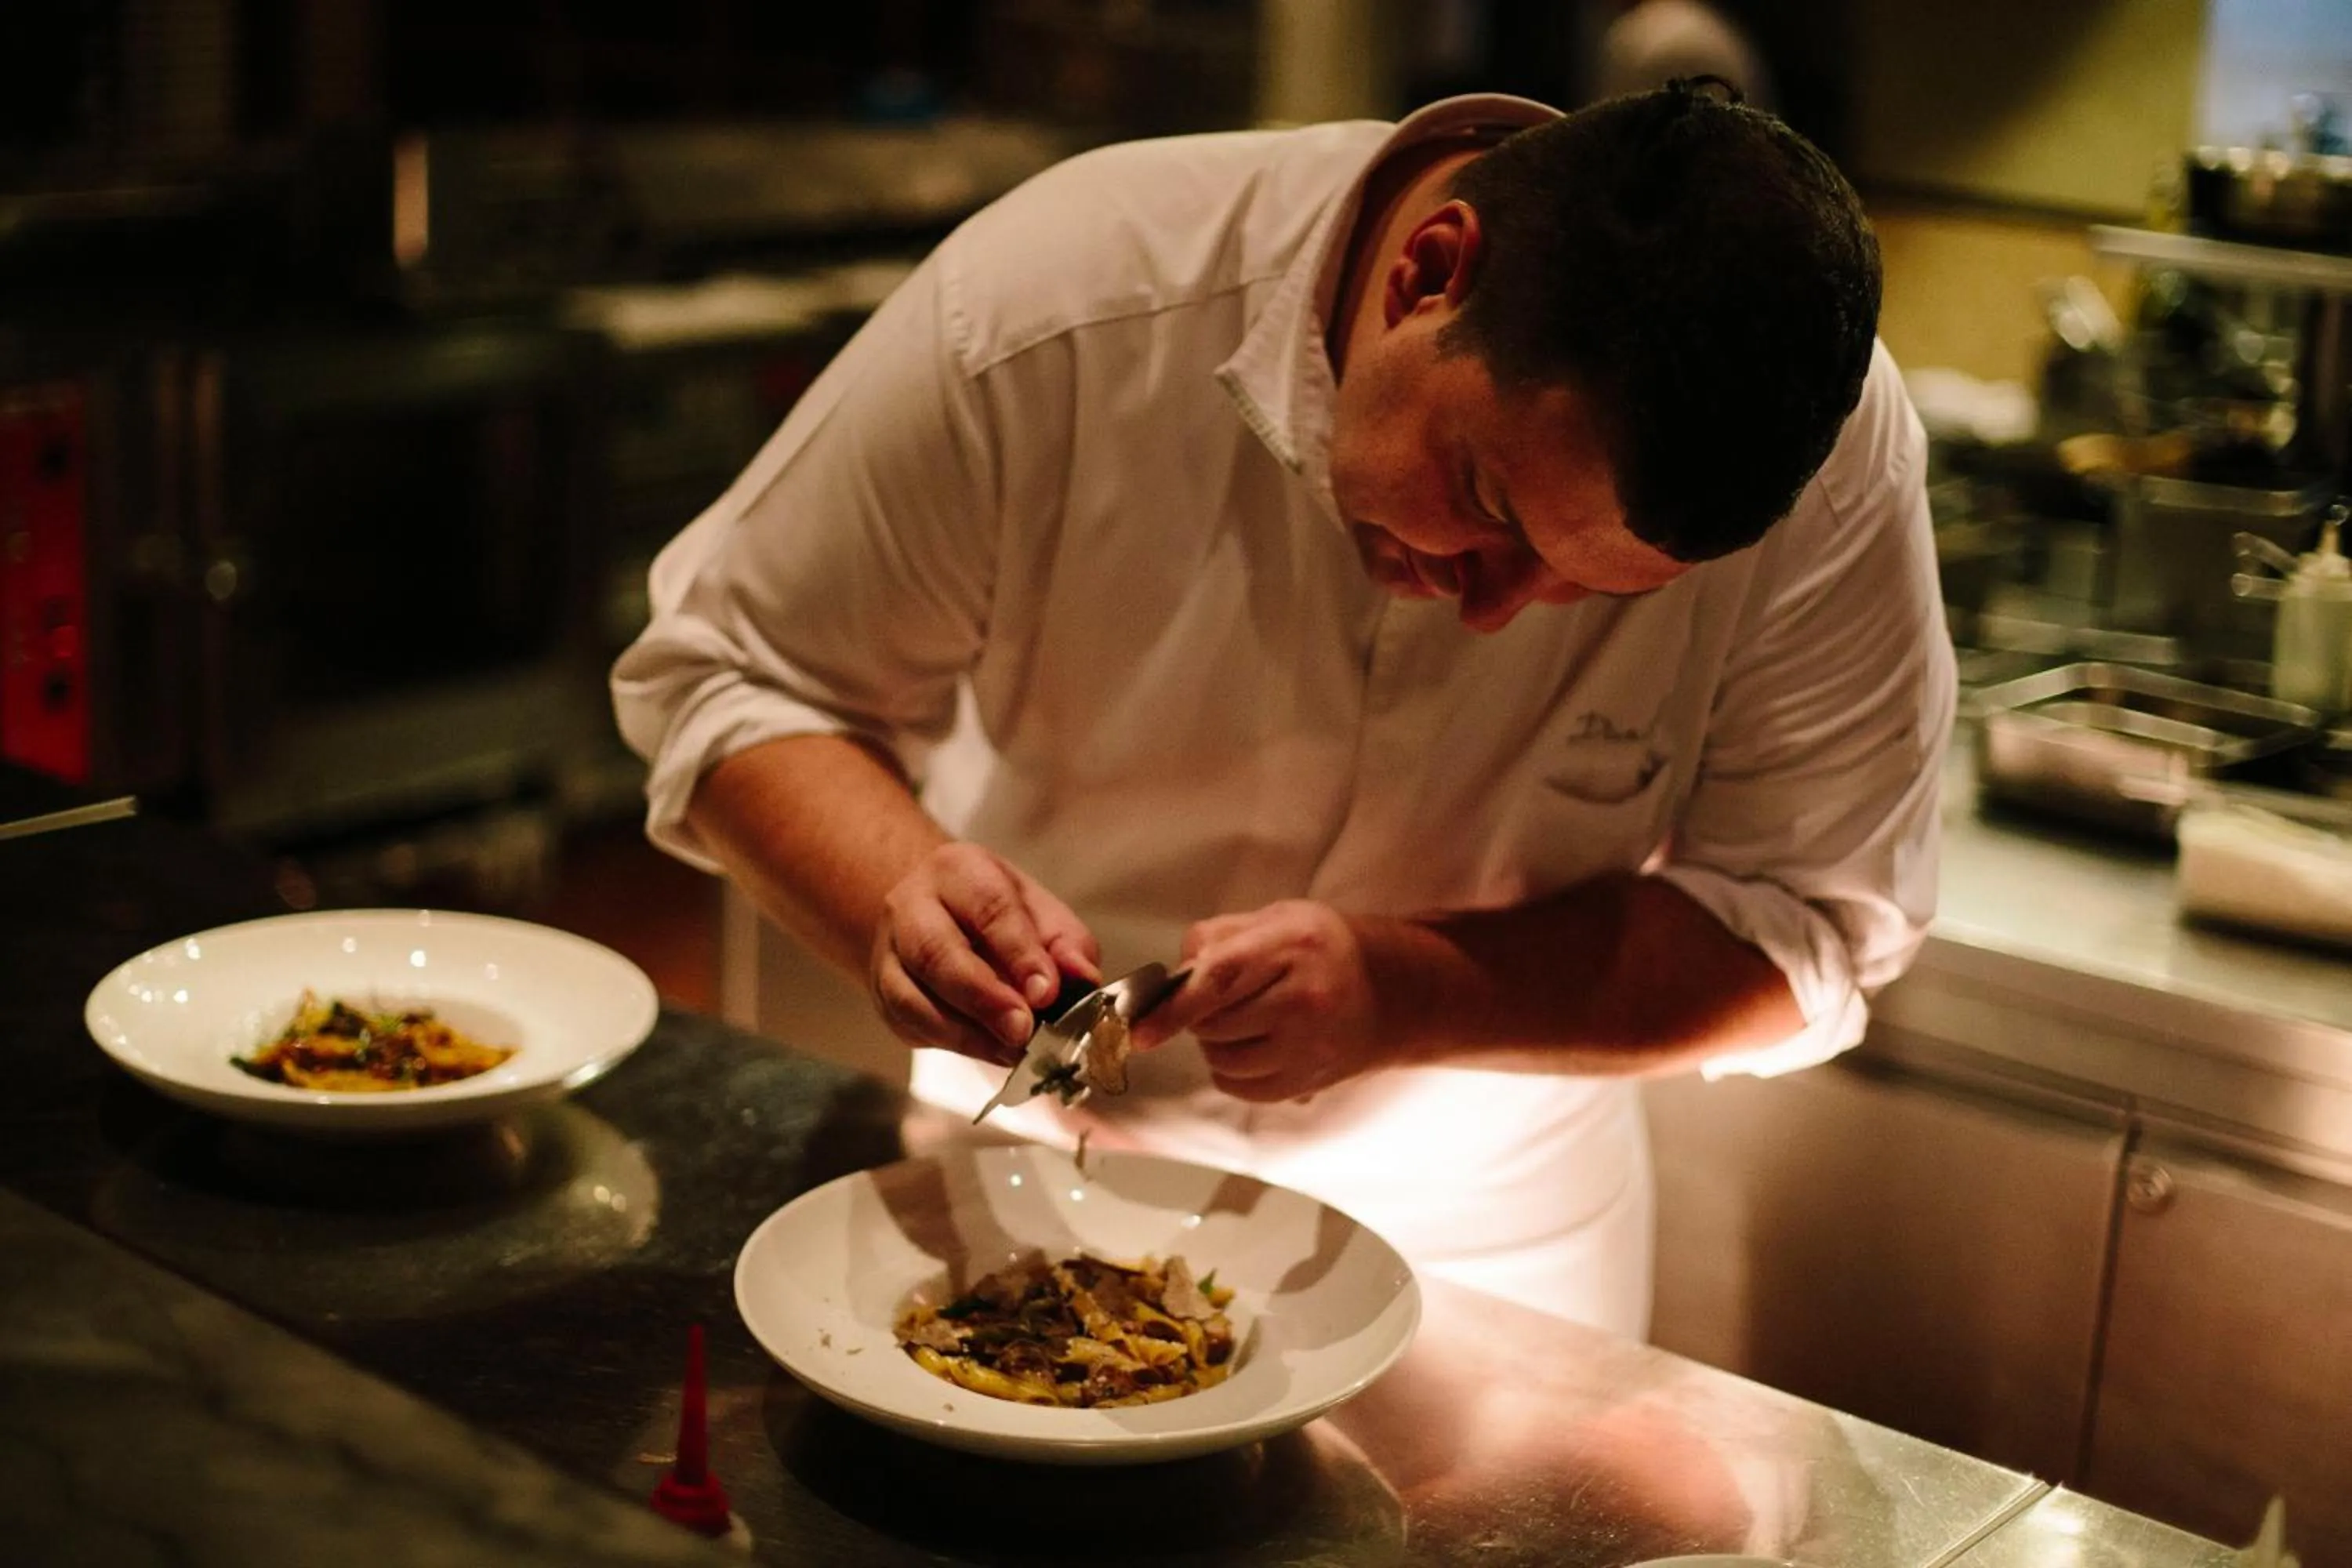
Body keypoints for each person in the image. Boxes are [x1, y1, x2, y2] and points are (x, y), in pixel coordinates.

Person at [611, 78, 1956, 1338]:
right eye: (1488, 505)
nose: (1496, 609)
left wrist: (1413, 994)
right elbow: (727, 670)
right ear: (1430, 271)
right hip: (1029, 1172)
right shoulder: (1061, 302)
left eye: (1597, 593)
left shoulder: (1830, 471)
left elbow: (1811, 921)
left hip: (1493, 1260)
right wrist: (898, 893)